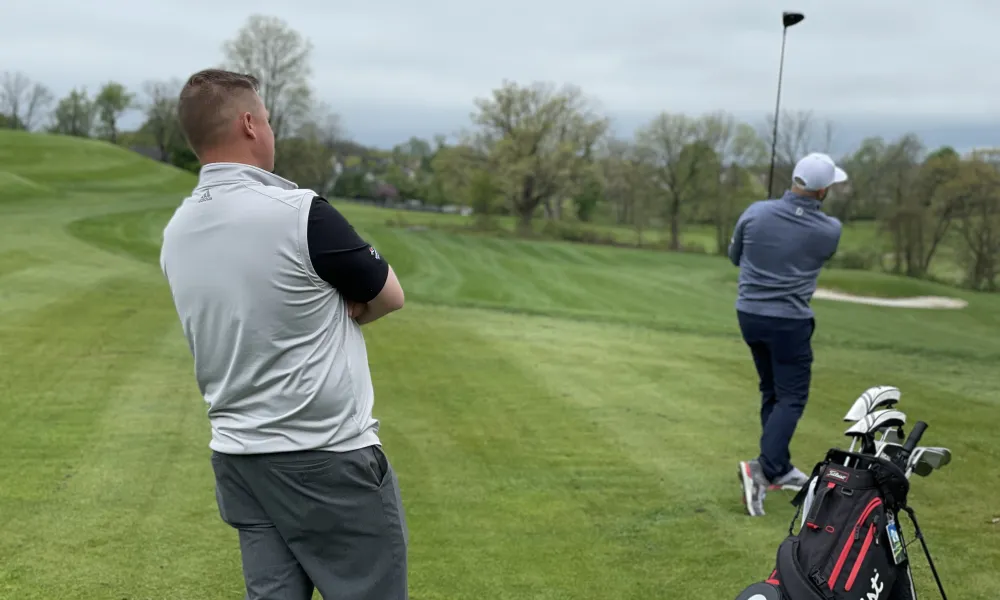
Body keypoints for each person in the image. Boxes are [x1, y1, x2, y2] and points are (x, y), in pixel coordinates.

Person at [159, 68, 409, 599]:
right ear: (250, 124)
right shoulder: (299, 213)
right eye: (268, 120)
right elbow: (389, 295)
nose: (270, 131)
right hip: (327, 457)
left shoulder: (177, 230)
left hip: (239, 459)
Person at [728, 152, 847, 517]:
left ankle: (778, 467)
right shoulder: (829, 230)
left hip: (749, 315)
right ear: (823, 190)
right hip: (789, 322)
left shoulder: (755, 212)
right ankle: (762, 469)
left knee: (772, 391)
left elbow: (736, 257)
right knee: (791, 398)